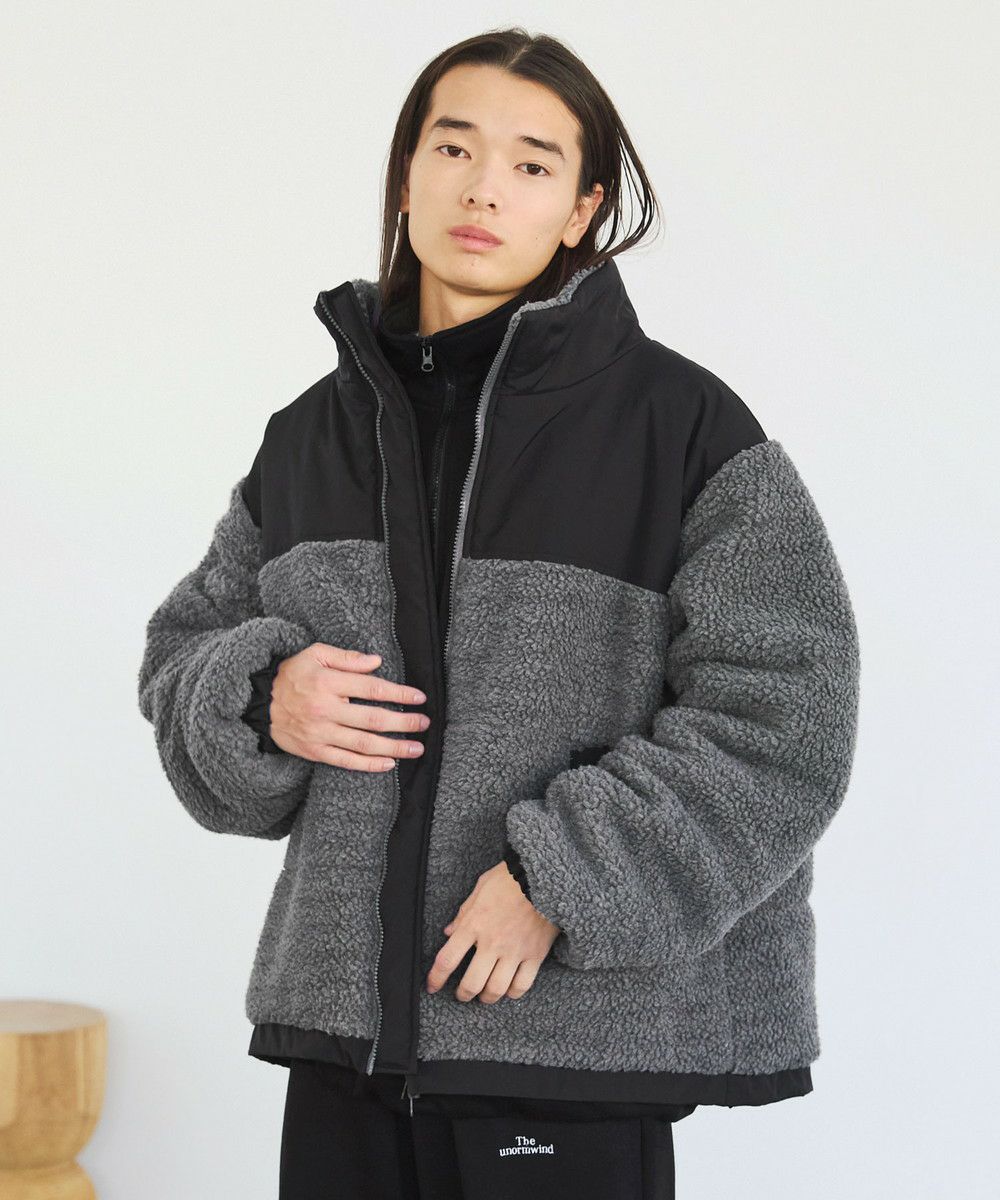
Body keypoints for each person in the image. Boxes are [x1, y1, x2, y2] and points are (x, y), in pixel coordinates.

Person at [137, 27, 861, 1200]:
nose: (483, 188)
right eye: (453, 147)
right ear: (406, 176)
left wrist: (558, 883)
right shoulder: (308, 438)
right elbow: (184, 656)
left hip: (569, 1046)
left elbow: (786, 722)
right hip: (344, 1046)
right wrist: (263, 696)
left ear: (581, 209)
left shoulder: (685, 430)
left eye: (531, 164)